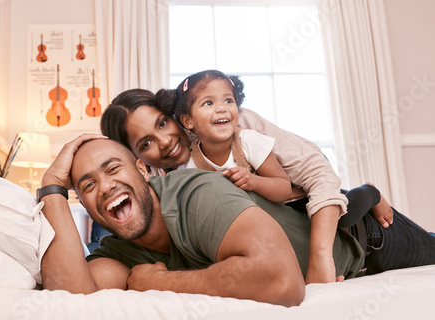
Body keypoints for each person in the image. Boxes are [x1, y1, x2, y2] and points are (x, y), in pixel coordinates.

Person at [39, 135, 435, 306]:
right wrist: (50, 188)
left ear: (144, 171)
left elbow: (283, 283)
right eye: (87, 185)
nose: (105, 187)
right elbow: (73, 302)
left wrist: (162, 283)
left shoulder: (193, 192)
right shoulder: (117, 250)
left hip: (367, 238)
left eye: (113, 169)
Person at [100, 87, 389, 284]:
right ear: (136, 158)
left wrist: (319, 261)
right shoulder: (162, 190)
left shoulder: (232, 126)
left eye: (162, 123)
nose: (164, 142)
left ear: (176, 116)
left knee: (349, 209)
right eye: (146, 143)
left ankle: (369, 192)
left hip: (311, 199)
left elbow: (319, 174)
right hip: (290, 221)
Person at [154, 69, 391, 229]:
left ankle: (368, 192)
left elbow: (283, 187)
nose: (222, 109)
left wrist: (253, 182)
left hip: (294, 198)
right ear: (187, 121)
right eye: (209, 103)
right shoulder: (190, 164)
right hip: (262, 216)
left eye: (228, 100)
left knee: (341, 220)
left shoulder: (247, 140)